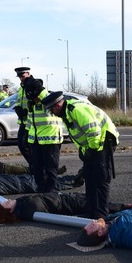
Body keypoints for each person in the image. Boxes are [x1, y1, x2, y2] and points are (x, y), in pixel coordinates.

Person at [42, 91, 120, 219]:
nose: (51, 113)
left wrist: (91, 150)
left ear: (57, 106)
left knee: (100, 180)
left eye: (51, 110)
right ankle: (91, 211)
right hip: (94, 145)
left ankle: (101, 215)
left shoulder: (76, 110)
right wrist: (84, 152)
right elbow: (81, 135)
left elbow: (94, 131)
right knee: (90, 179)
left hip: (103, 143)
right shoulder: (66, 113)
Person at [23, 78, 65, 193]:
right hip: (36, 141)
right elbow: (31, 121)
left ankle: (50, 192)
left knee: (50, 169)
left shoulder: (48, 100)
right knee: (36, 168)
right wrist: (26, 134)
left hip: (51, 140)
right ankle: (41, 191)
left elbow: (43, 94)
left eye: (36, 96)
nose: (35, 99)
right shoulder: (32, 103)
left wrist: (38, 89)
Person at [0, 192, 132, 224]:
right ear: (10, 211)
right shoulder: (27, 209)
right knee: (94, 203)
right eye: (6, 204)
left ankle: (122, 207)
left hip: (64, 199)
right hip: (66, 204)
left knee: (94, 199)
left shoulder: (21, 204)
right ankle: (125, 209)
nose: (7, 200)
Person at [0, 172, 83, 201]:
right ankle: (78, 180)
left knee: (52, 179)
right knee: (55, 184)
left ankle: (77, 177)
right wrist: (5, 203)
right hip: (24, 184)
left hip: (20, 178)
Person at [13, 66, 33, 163]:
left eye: (23, 76)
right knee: (21, 145)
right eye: (19, 76)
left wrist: (26, 111)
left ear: (28, 74)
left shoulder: (32, 85)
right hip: (23, 121)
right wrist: (17, 108)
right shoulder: (21, 87)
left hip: (31, 122)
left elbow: (36, 102)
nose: (21, 78)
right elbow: (19, 101)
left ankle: (35, 166)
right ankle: (33, 165)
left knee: (28, 146)